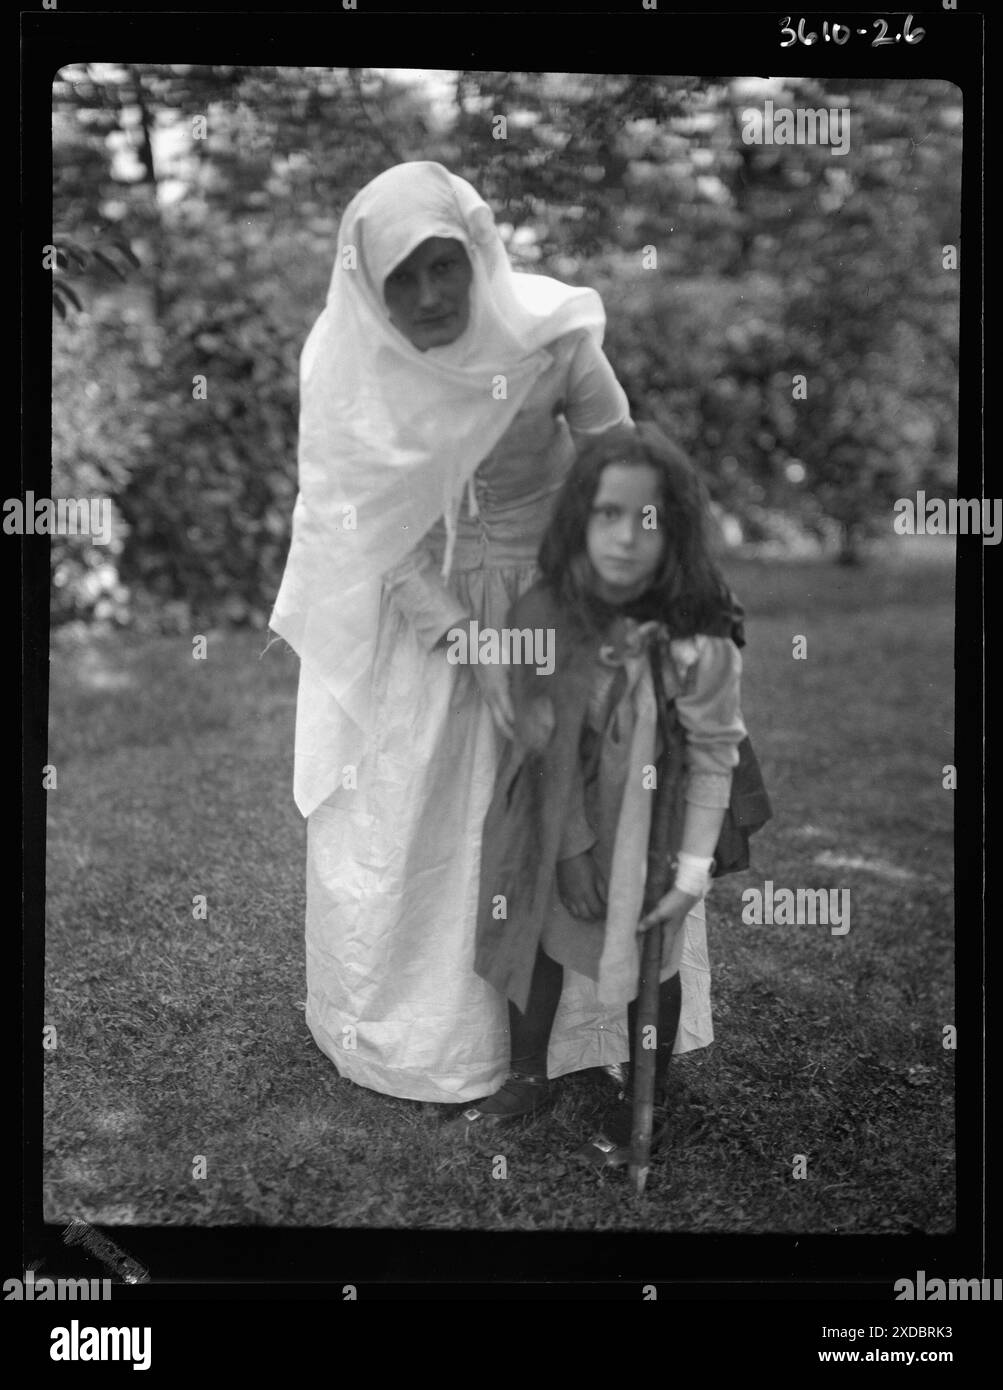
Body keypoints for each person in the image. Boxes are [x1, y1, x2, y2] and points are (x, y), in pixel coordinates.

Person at [269, 161, 637, 1103]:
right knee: (415, 812)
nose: (430, 296)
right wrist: (465, 639)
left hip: (553, 595)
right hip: (421, 605)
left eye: (445, 266)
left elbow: (618, 470)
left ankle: (580, 1043)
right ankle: (424, 1039)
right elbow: (363, 529)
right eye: (404, 277)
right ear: (370, 284)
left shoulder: (551, 336)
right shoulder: (346, 368)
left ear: (477, 255)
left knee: (568, 804)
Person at [466, 421, 769, 1166]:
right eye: (607, 514)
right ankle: (527, 1073)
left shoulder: (703, 622)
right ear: (579, 518)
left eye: (648, 519)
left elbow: (711, 750)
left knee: (651, 949)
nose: (625, 538)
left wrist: (690, 869)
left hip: (653, 813)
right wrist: (569, 848)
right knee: (535, 924)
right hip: (558, 798)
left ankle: (648, 1095)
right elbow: (539, 745)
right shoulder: (544, 611)